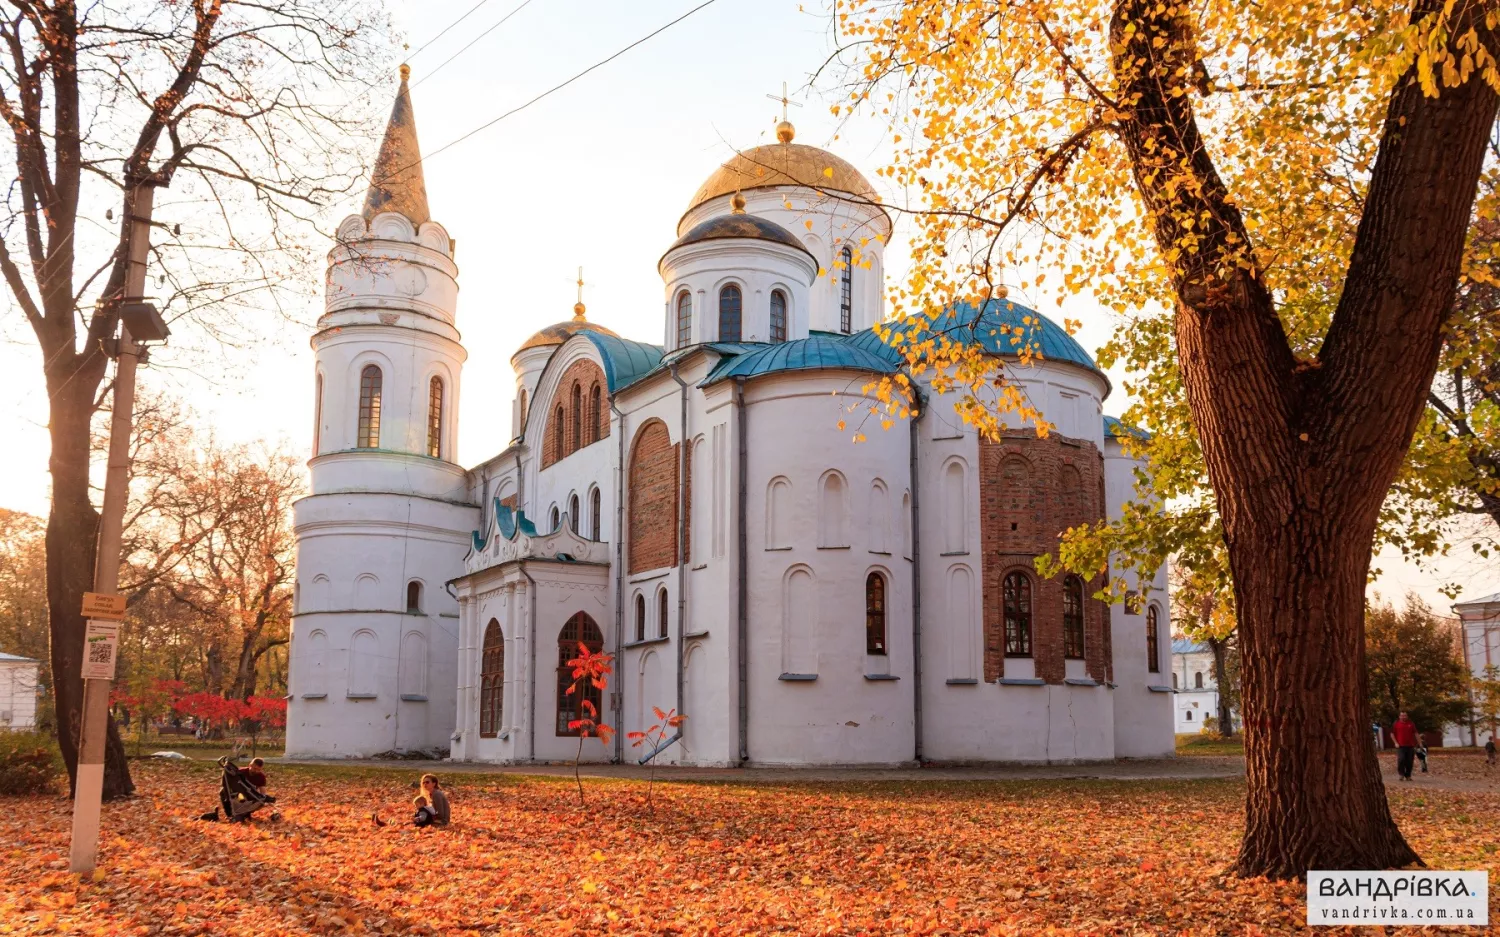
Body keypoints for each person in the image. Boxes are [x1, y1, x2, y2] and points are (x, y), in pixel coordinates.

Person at [1392, 711, 1419, 781]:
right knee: (1401, 759)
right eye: (1402, 715)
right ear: (1399, 716)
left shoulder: (1411, 724)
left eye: (1405, 716)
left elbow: (1416, 733)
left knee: (1409, 761)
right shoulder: (1396, 724)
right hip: (1400, 746)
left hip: (1410, 746)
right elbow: (1392, 734)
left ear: (1407, 716)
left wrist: (1420, 743)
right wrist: (1395, 743)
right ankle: (1401, 774)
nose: (1404, 717)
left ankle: (1408, 775)